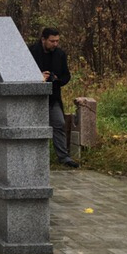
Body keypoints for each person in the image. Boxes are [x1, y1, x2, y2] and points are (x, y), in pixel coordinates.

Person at [29, 27, 79, 168]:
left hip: (53, 97)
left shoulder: (60, 54)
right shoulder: (30, 51)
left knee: (59, 124)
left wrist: (56, 79)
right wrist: (38, 77)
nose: (55, 44)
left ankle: (64, 157)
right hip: (33, 98)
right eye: (52, 41)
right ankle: (33, 157)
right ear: (43, 39)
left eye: (57, 41)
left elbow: (66, 75)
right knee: (33, 127)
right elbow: (20, 73)